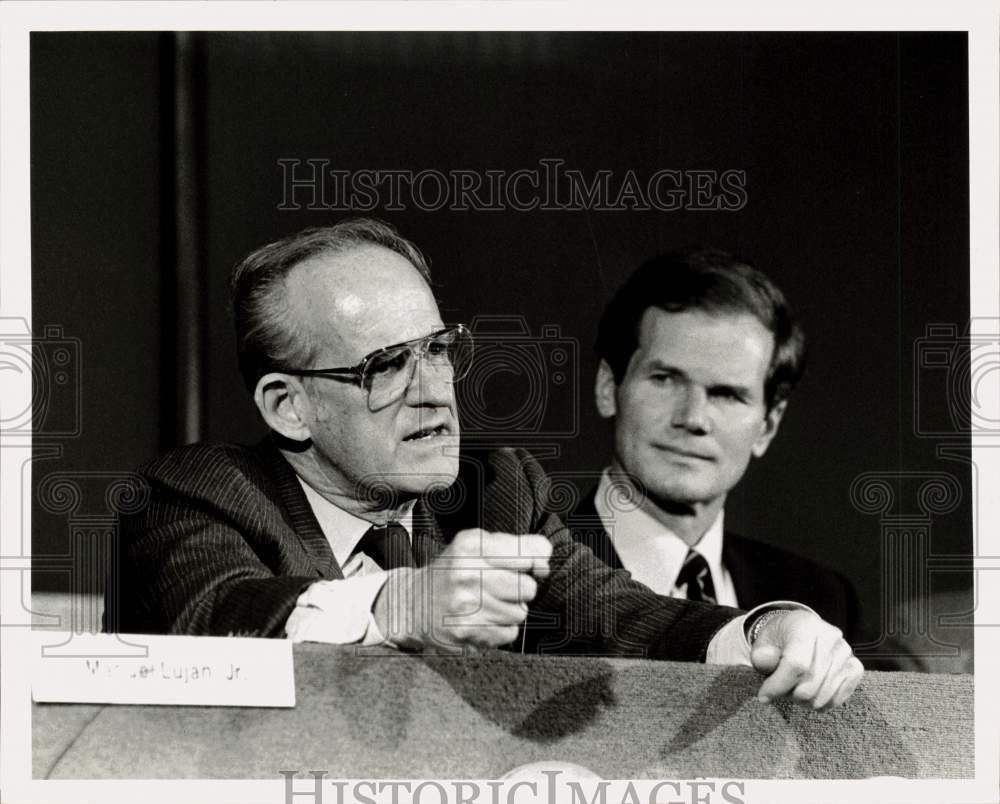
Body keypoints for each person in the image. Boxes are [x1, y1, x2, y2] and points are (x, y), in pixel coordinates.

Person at [105, 219, 862, 709]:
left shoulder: (496, 493)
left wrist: (769, 628)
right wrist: (396, 607)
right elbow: (215, 621)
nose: (435, 391)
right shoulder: (193, 495)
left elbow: (629, 618)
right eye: (387, 366)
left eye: (439, 349)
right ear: (287, 406)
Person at [569, 249, 859, 639]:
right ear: (608, 388)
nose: (692, 418)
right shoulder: (517, 580)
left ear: (768, 426)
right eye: (665, 379)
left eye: (727, 395)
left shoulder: (822, 602)